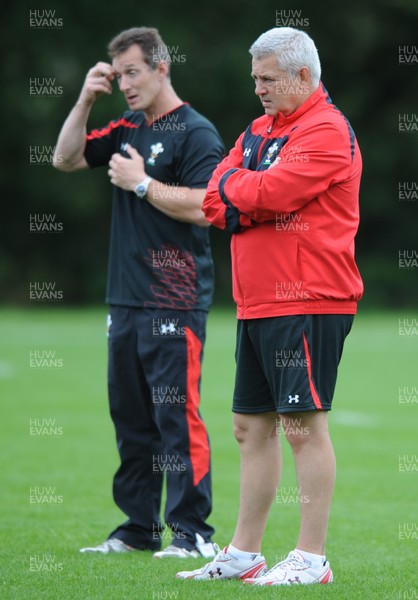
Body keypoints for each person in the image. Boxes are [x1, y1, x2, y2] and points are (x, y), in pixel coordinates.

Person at [176, 26, 363, 585]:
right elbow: (215, 197)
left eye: (267, 78)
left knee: (302, 426)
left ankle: (311, 559)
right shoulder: (257, 130)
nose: (257, 88)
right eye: (254, 78)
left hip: (308, 298)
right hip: (255, 301)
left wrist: (242, 191)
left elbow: (272, 194)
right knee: (247, 427)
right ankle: (243, 553)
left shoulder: (327, 130)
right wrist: (244, 191)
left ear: (303, 76)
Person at [53, 26, 224, 559]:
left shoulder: (196, 133)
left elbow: (205, 206)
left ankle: (191, 533)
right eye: (118, 74)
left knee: (176, 419)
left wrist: (142, 182)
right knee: (131, 420)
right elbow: (65, 158)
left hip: (174, 300)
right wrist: (84, 97)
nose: (125, 83)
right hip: (125, 301)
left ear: (161, 68)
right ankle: (138, 528)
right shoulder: (127, 126)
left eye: (133, 72)